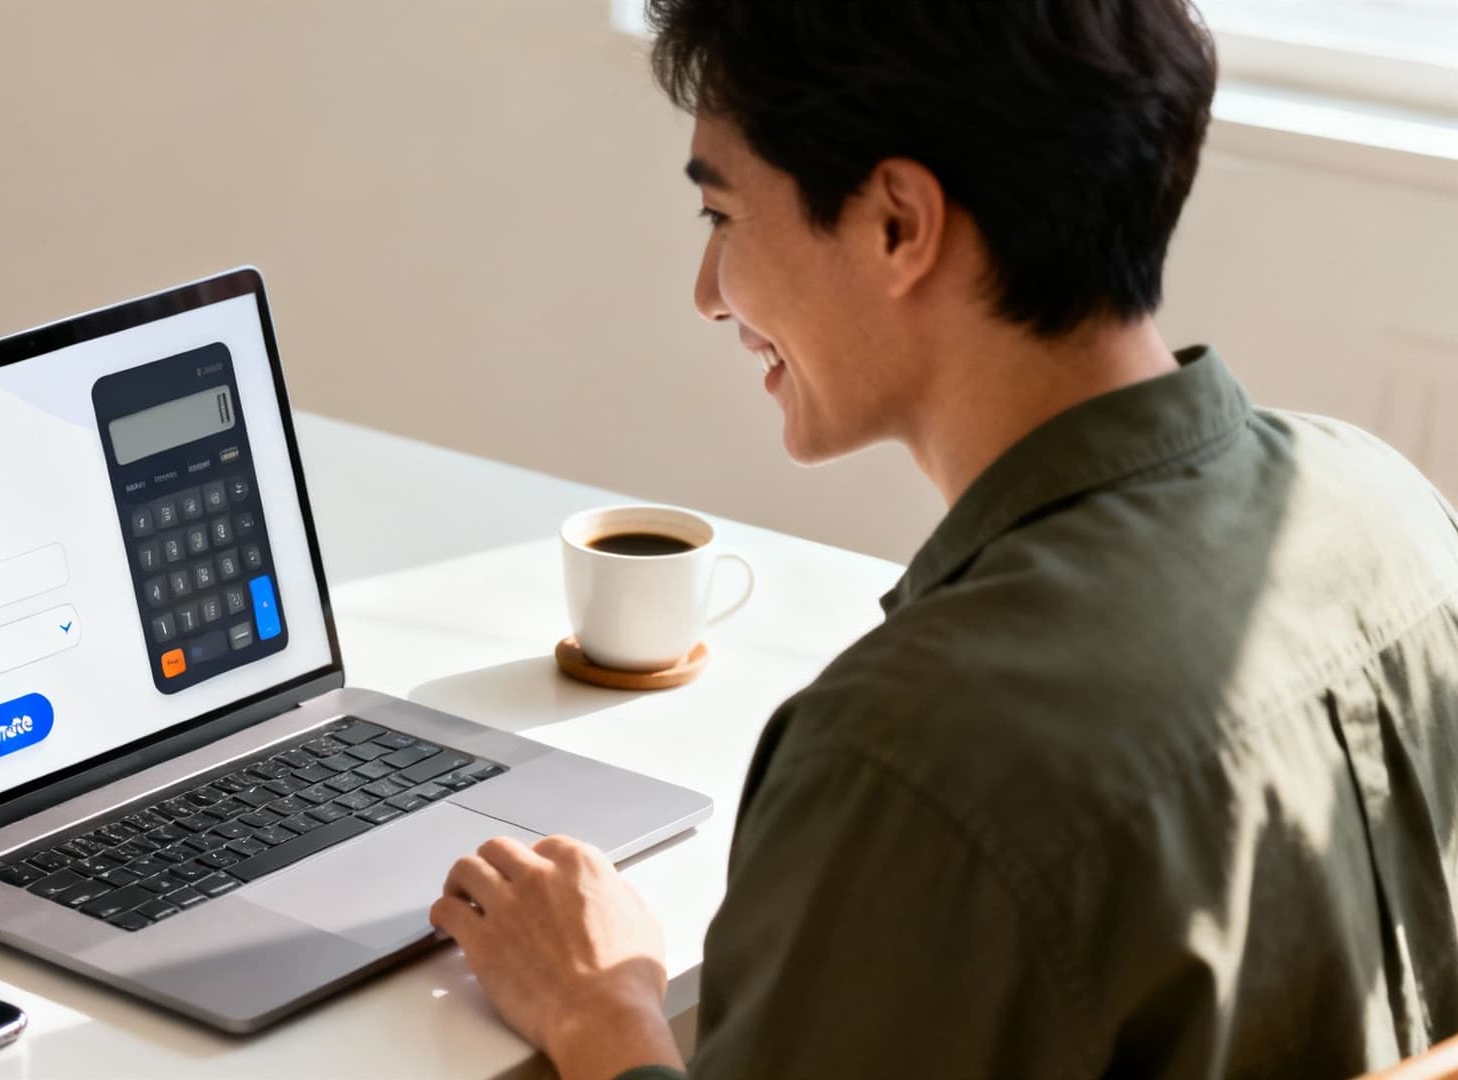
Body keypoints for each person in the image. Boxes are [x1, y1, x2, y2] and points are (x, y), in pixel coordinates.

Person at [427, 1, 1458, 1076]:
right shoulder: (1390, 505)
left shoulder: (914, 759)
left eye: (721, 216)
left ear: (897, 224)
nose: (706, 296)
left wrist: (603, 1015)